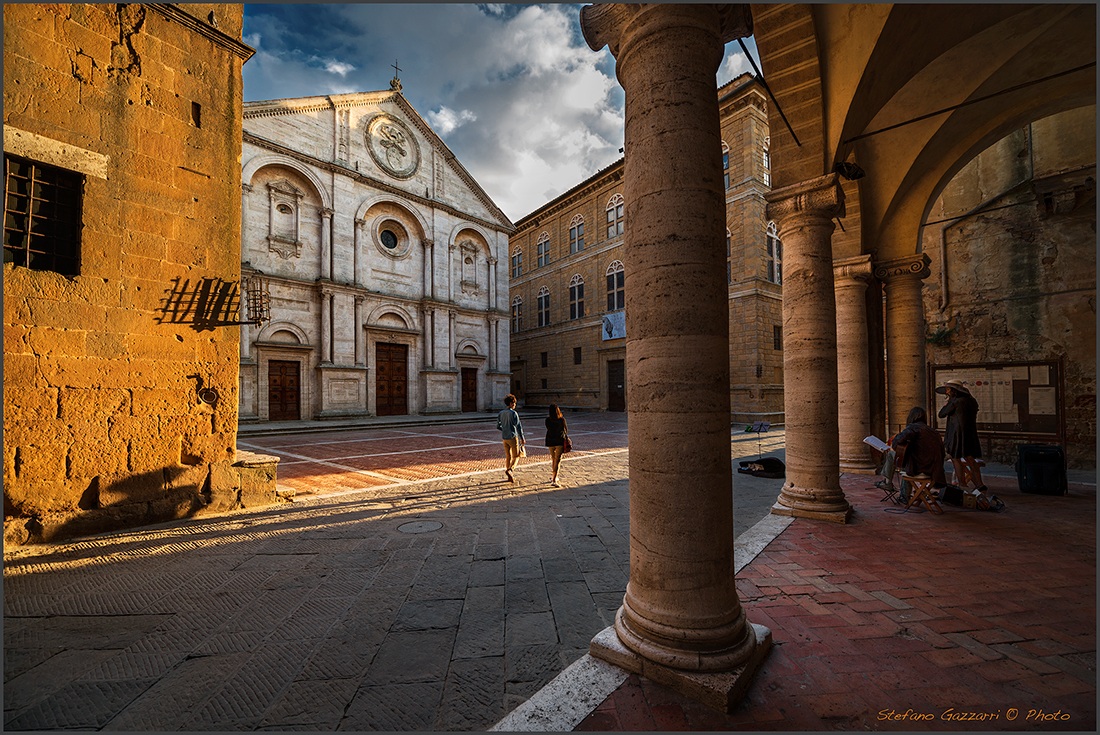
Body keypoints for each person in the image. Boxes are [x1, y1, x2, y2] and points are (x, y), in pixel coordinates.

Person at [936, 378, 987, 494]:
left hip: (957, 434)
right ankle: (980, 485)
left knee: (956, 458)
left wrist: (947, 404)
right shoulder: (971, 401)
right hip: (969, 434)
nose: (947, 392)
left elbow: (941, 414)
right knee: (970, 459)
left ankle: (962, 484)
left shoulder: (956, 402)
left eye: (948, 390)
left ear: (954, 390)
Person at [891, 406, 947, 504]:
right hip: (935, 471)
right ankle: (905, 494)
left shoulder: (913, 428)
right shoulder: (933, 431)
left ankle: (888, 483)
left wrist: (897, 444)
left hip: (920, 468)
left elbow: (896, 442)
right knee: (907, 460)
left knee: (891, 455)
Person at [497, 394, 525, 483]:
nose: (515, 405)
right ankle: (510, 470)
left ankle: (509, 476)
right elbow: (518, 426)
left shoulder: (501, 413)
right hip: (512, 437)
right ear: (511, 403)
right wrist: (522, 437)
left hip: (504, 437)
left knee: (508, 456)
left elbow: (498, 426)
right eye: (514, 403)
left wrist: (504, 429)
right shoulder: (513, 413)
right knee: (516, 456)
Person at [544, 404, 568, 487]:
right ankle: (554, 479)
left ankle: (554, 476)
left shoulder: (548, 420)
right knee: (557, 460)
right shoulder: (561, 420)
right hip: (559, 441)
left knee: (554, 459)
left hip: (550, 441)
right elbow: (565, 430)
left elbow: (548, 428)